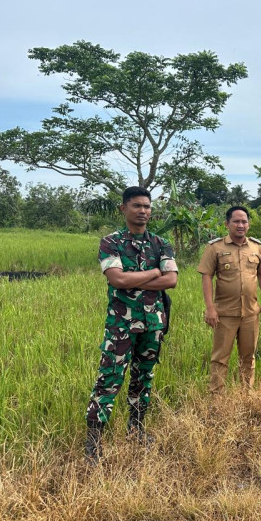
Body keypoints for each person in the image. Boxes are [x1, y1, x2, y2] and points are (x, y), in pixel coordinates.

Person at [84, 186, 178, 464]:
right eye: (137, 206)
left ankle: (136, 431)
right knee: (108, 381)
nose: (143, 211)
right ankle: (94, 442)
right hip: (121, 327)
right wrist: (153, 272)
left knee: (143, 379)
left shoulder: (161, 243)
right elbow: (118, 280)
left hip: (153, 324)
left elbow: (171, 280)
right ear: (123, 209)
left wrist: (133, 276)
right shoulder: (110, 242)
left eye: (147, 206)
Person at [197, 205, 261, 395]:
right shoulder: (215, 248)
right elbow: (206, 276)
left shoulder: (256, 247)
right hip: (225, 314)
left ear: (248, 224)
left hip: (250, 313)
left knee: (248, 357)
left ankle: (246, 395)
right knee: (220, 359)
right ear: (227, 224)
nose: (241, 225)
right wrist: (210, 308)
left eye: (244, 221)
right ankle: (217, 401)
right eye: (236, 221)